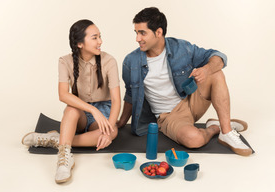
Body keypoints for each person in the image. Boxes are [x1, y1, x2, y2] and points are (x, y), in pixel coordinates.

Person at [117, 7, 252, 156]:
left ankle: (226, 132)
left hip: (190, 99)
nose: (137, 39)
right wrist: (122, 122)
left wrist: (206, 69)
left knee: (216, 73)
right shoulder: (131, 62)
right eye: (136, 33)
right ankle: (215, 127)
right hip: (169, 116)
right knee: (195, 140)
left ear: (159, 32)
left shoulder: (181, 47)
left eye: (143, 33)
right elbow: (130, 95)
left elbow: (218, 57)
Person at [22, 19, 121, 183]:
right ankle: (64, 160)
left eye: (100, 37)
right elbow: (63, 95)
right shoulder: (65, 61)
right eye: (95, 37)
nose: (100, 41)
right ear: (80, 43)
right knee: (71, 108)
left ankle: (59, 141)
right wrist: (92, 110)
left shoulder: (109, 61)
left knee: (112, 133)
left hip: (104, 109)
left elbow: (116, 100)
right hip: (80, 110)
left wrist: (109, 129)